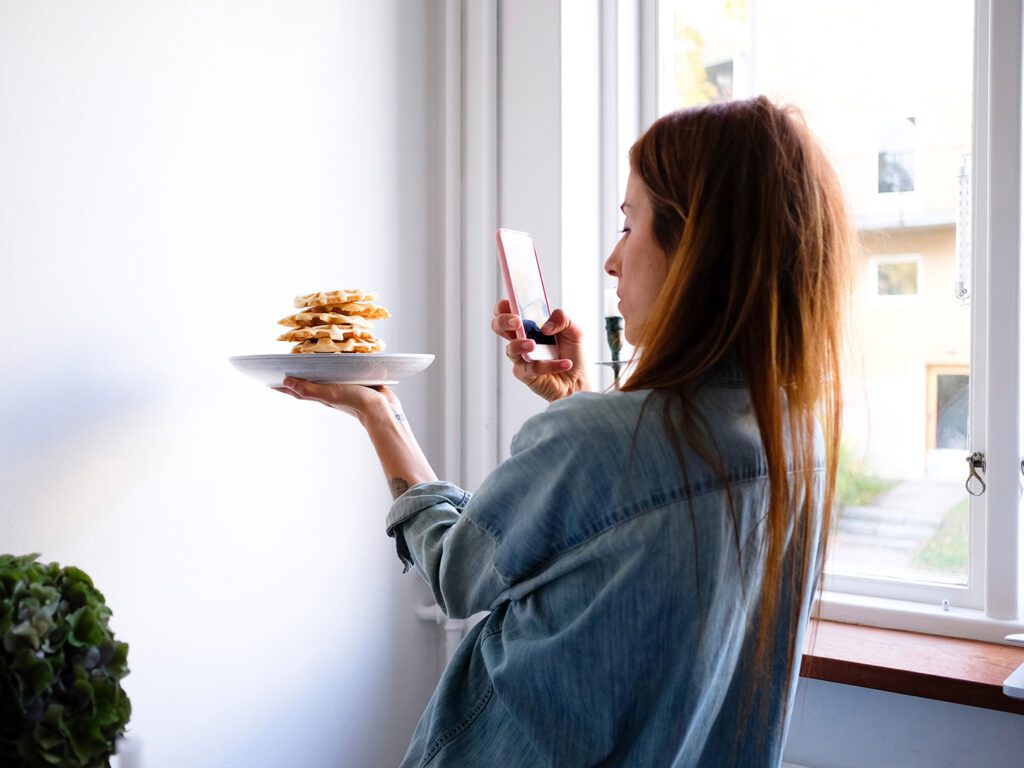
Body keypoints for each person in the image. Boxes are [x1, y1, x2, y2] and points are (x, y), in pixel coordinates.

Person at [276, 95, 851, 767]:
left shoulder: (599, 441)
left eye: (630, 225)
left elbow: (459, 576)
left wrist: (381, 413)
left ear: (695, 250)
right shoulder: (799, 441)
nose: (613, 260)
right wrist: (577, 396)